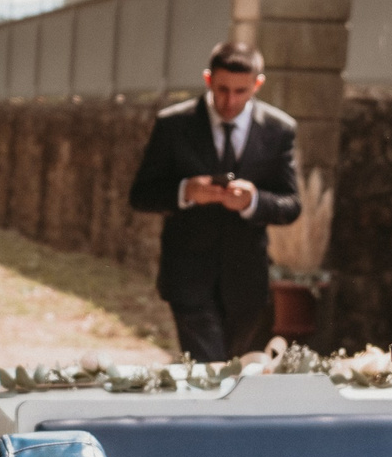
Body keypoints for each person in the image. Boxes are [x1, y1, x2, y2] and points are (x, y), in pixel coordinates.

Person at [128, 41, 303, 360]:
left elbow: (291, 204)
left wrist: (253, 201)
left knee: (234, 372)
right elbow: (141, 195)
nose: (230, 100)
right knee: (210, 369)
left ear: (257, 84)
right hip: (188, 278)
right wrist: (186, 191)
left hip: (247, 281)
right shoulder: (173, 124)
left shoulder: (280, 130)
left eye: (241, 91)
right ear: (208, 80)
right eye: (222, 89)